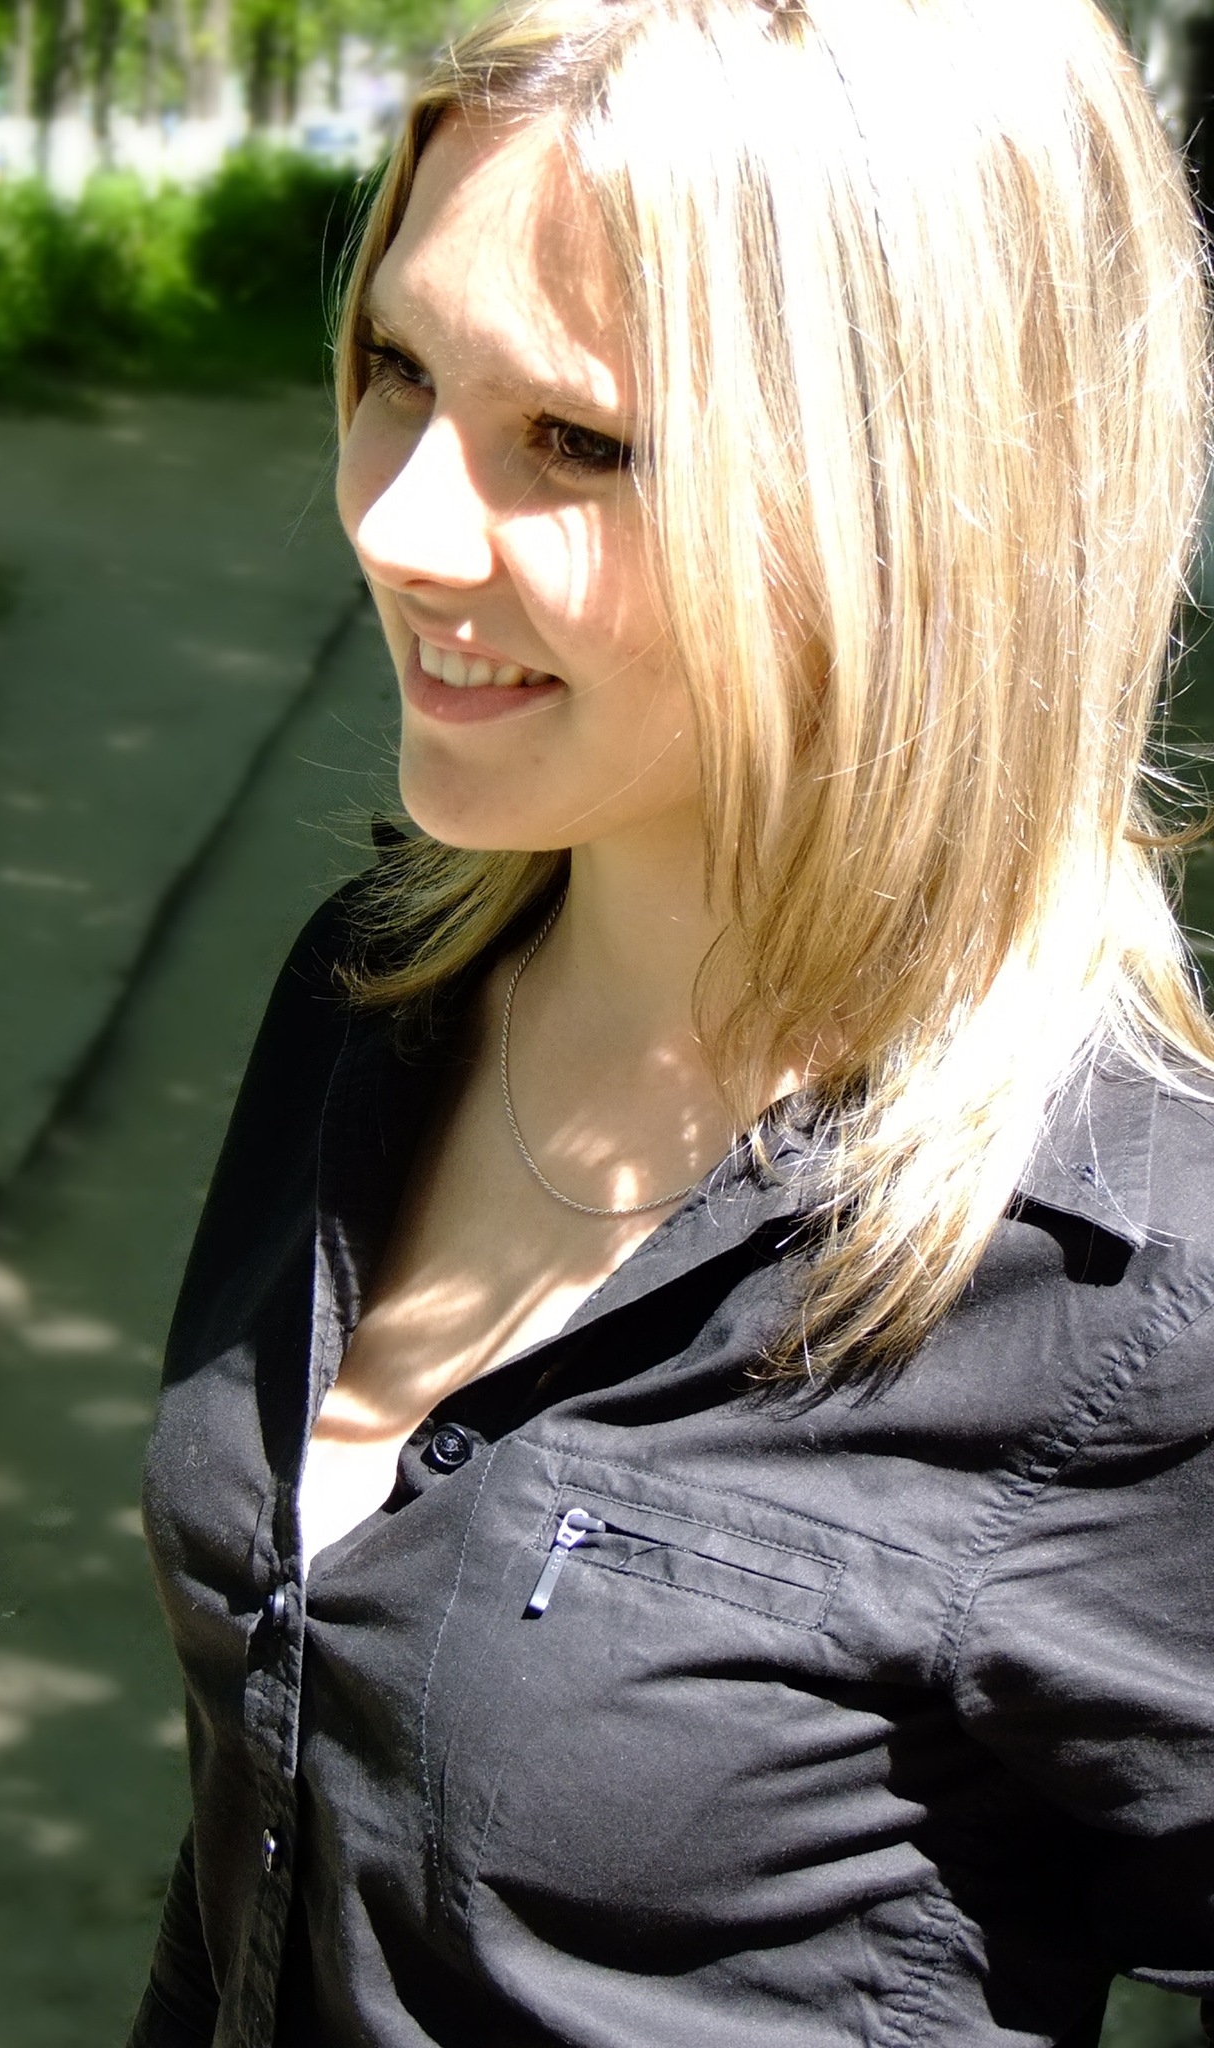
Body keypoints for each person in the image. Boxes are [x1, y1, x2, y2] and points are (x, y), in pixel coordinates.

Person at [130, 0, 1214, 2041]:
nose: (398, 524)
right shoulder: (373, 995)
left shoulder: (1138, 1304)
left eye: (582, 442)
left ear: (937, 500)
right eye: (400, 368)